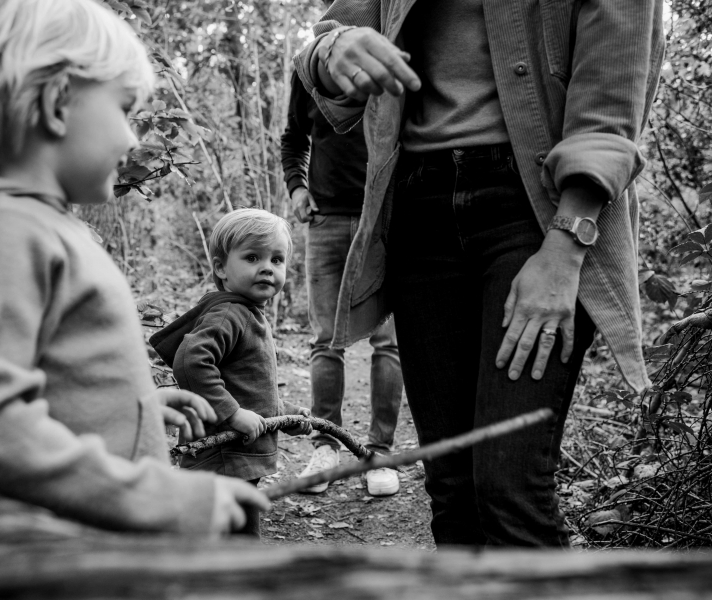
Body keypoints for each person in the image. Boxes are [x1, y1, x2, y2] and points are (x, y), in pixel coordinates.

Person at [0, 0, 269, 536]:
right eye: (122, 109)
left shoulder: (33, 227)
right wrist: (156, 496)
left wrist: (128, 414)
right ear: (58, 102)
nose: (131, 139)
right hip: (58, 562)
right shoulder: (4, 232)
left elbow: (40, 396)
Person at [292, 0, 663, 546]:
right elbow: (326, 43)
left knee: (509, 487)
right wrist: (334, 47)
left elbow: (614, 94)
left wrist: (565, 247)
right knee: (452, 486)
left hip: (535, 212)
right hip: (417, 210)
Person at [150, 208, 313, 538]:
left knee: (224, 535)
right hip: (223, 456)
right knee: (238, 540)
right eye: (252, 257)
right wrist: (233, 414)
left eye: (277, 260)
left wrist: (287, 417)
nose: (267, 267)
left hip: (235, 453)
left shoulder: (246, 313)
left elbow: (247, 385)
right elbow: (191, 361)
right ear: (221, 268)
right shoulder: (229, 313)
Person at [281, 68, 403, 497]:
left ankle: (379, 453)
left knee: (387, 339)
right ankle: (325, 446)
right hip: (325, 219)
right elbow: (293, 139)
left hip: (383, 219)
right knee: (326, 339)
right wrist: (297, 189)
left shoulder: (390, 62)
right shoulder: (308, 72)